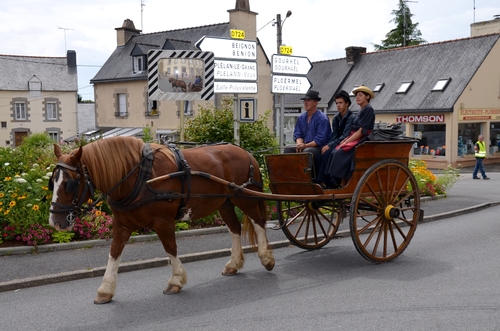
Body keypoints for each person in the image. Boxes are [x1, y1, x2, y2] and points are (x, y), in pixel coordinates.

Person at [324, 86, 376, 188]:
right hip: (356, 137)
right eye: (356, 95)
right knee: (335, 151)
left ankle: (342, 181)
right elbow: (354, 131)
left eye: (360, 95)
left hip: (363, 139)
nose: (357, 97)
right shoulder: (361, 110)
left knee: (340, 152)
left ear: (367, 97)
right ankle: (341, 181)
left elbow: (361, 131)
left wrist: (346, 142)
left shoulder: (368, 110)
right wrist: (345, 140)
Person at [285, 90, 332, 175]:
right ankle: (289, 175)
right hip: (304, 144)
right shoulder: (301, 117)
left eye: (308, 100)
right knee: (288, 148)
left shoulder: (322, 118)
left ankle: (305, 177)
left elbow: (319, 140)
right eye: (305, 100)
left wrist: (304, 146)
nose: (305, 103)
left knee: (307, 151)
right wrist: (299, 144)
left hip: (318, 147)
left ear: (315, 103)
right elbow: (298, 134)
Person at [316, 90, 355, 187]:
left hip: (346, 143)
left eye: (341, 103)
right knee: (318, 155)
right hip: (337, 142)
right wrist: (328, 145)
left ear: (347, 103)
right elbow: (334, 135)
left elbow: (345, 135)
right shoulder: (336, 118)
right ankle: (319, 181)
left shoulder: (351, 117)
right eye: (337, 103)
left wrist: (330, 146)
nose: (338, 105)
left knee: (328, 154)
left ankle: (326, 182)